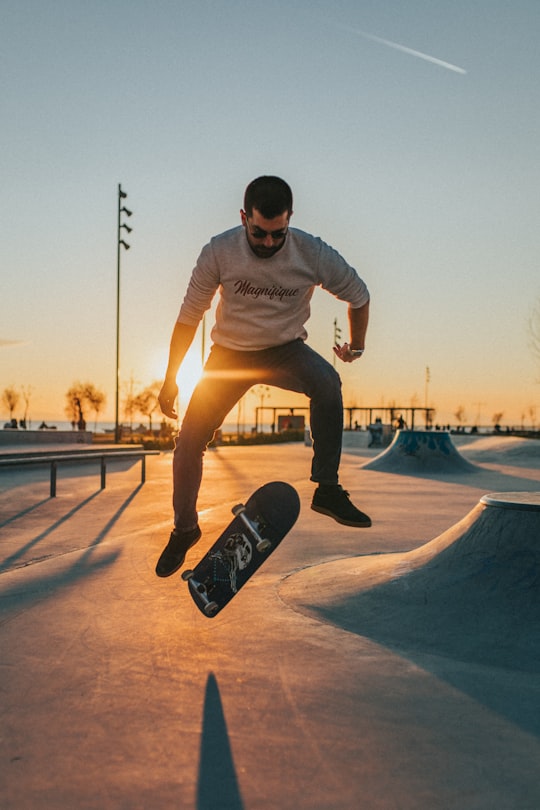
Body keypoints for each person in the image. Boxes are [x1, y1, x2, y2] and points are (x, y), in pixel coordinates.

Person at [156, 176, 371, 578]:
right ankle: (185, 529)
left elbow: (359, 296)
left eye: (278, 234)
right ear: (243, 219)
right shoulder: (219, 251)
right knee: (189, 442)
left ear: (290, 221)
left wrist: (355, 346)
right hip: (229, 356)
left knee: (327, 384)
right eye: (259, 233)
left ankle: (327, 488)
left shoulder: (312, 252)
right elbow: (189, 318)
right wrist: (171, 378)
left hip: (285, 349)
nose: (269, 244)